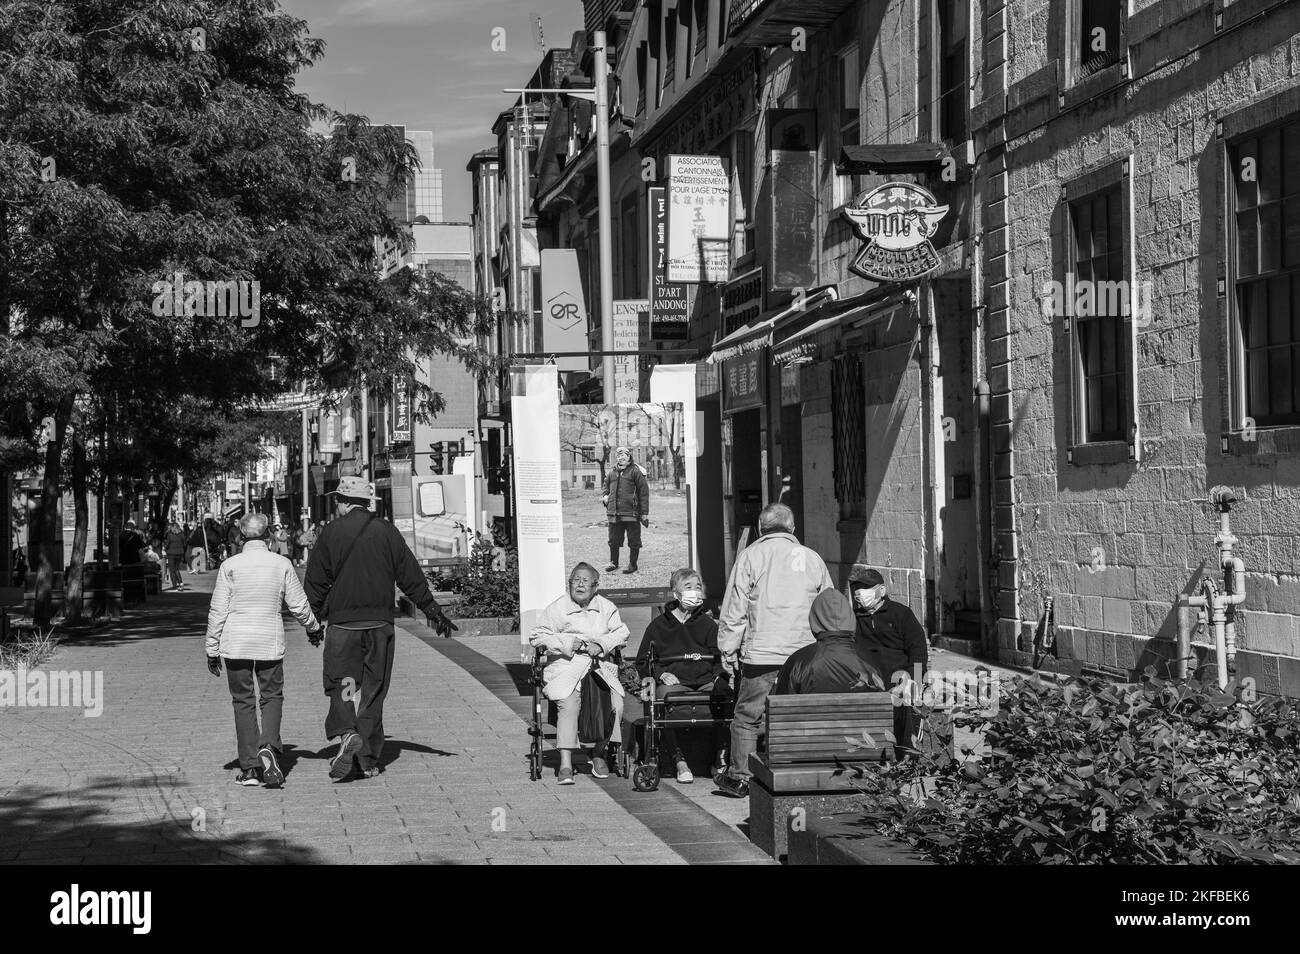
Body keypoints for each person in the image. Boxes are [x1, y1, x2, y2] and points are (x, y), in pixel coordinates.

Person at [304, 476, 458, 782]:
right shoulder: (387, 531)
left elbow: (316, 582)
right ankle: (368, 759)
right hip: (379, 627)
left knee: (344, 683)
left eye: (338, 500)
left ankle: (347, 731)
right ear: (367, 503)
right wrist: (431, 610)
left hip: (344, 628)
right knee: (373, 691)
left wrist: (312, 622)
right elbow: (409, 574)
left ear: (345, 502)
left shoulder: (331, 533)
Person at [713, 502, 833, 798]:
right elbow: (828, 607)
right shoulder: (812, 558)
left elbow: (734, 610)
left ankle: (741, 777)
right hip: (804, 656)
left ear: (760, 528)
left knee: (747, 717)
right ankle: (798, 771)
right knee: (798, 714)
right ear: (792, 528)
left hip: (761, 654)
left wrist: (728, 652)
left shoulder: (751, 556)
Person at [205, 512, 322, 788]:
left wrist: (212, 648)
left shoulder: (229, 566)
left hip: (236, 644)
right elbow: (298, 604)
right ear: (269, 536)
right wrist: (314, 627)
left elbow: (218, 610)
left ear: (241, 537)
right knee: (271, 696)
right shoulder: (281, 564)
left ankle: (249, 768)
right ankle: (268, 744)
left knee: (242, 701)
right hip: (269, 641)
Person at [530, 563, 629, 785]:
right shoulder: (557, 608)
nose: (580, 584)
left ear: (596, 586)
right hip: (567, 666)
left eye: (585, 581)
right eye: (576, 580)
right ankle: (565, 762)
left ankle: (598, 754)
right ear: (569, 583)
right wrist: (566, 642)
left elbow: (622, 633)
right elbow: (537, 636)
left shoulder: (606, 607)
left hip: (598, 666)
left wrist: (602, 643)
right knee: (569, 704)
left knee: (617, 705)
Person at [634, 568, 727, 784]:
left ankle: (720, 760)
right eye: (688, 587)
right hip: (675, 683)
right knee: (664, 700)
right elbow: (643, 661)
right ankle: (679, 761)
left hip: (704, 681)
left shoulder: (707, 624)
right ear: (676, 594)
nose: (695, 591)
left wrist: (716, 677)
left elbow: (718, 658)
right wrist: (661, 673)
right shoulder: (658, 626)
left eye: (697, 587)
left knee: (725, 696)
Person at [848, 565, 929, 753]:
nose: (859, 595)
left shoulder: (901, 614)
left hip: (901, 679)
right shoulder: (854, 619)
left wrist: (913, 679)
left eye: (865, 590)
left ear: (881, 591)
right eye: (857, 591)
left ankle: (908, 754)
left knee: (906, 699)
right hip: (869, 682)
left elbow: (918, 650)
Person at [774, 589, 887, 695]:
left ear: (815, 619)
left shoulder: (799, 662)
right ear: (850, 618)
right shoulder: (870, 660)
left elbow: (779, 705)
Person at [601, 447, 650, 575]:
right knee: (613, 539)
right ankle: (613, 562)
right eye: (618, 456)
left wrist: (644, 513)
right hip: (614, 513)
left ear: (629, 457)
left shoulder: (635, 471)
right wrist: (605, 495)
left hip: (631, 513)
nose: (621, 458)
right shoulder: (612, 472)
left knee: (634, 540)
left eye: (623, 456)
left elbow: (644, 493)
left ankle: (633, 564)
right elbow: (605, 485)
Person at [164, 520, 188, 590]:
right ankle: (180, 582)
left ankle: (174, 585)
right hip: (180, 553)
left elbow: (167, 544)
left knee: (172, 570)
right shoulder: (182, 534)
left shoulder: (170, 535)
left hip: (171, 553)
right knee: (177, 569)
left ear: (172, 528)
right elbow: (185, 544)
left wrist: (165, 549)